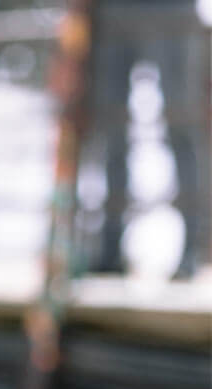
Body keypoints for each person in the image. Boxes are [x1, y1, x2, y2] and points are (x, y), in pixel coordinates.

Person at [87, 0, 210, 279]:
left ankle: (193, 249)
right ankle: (109, 248)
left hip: (172, 10)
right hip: (113, 11)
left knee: (183, 127)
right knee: (111, 130)